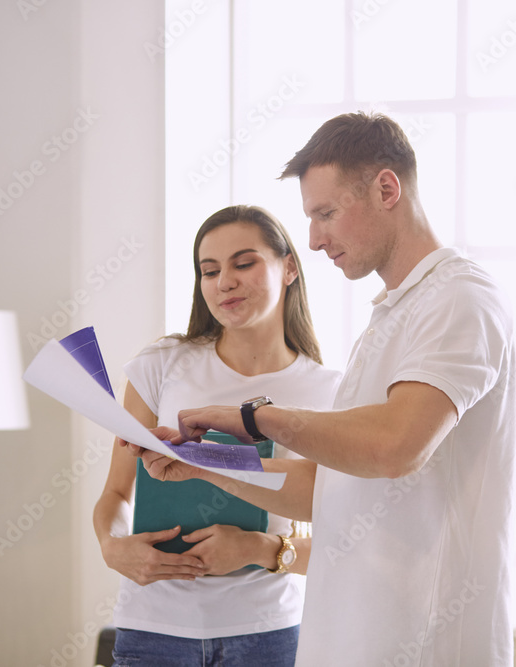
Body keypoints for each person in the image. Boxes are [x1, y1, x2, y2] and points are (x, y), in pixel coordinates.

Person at [139, 112, 516, 666]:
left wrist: (255, 418)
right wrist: (196, 462)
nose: (314, 240)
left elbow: (394, 447)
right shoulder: (392, 317)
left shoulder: (460, 299)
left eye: (326, 214)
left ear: (387, 188)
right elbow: (328, 488)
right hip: (357, 641)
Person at [93, 205, 341, 666]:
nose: (224, 281)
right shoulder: (162, 364)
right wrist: (113, 548)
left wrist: (261, 549)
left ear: (289, 267)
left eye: (243, 263)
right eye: (209, 271)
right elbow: (115, 493)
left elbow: (345, 536)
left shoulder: (328, 391)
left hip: (268, 634)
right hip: (153, 628)